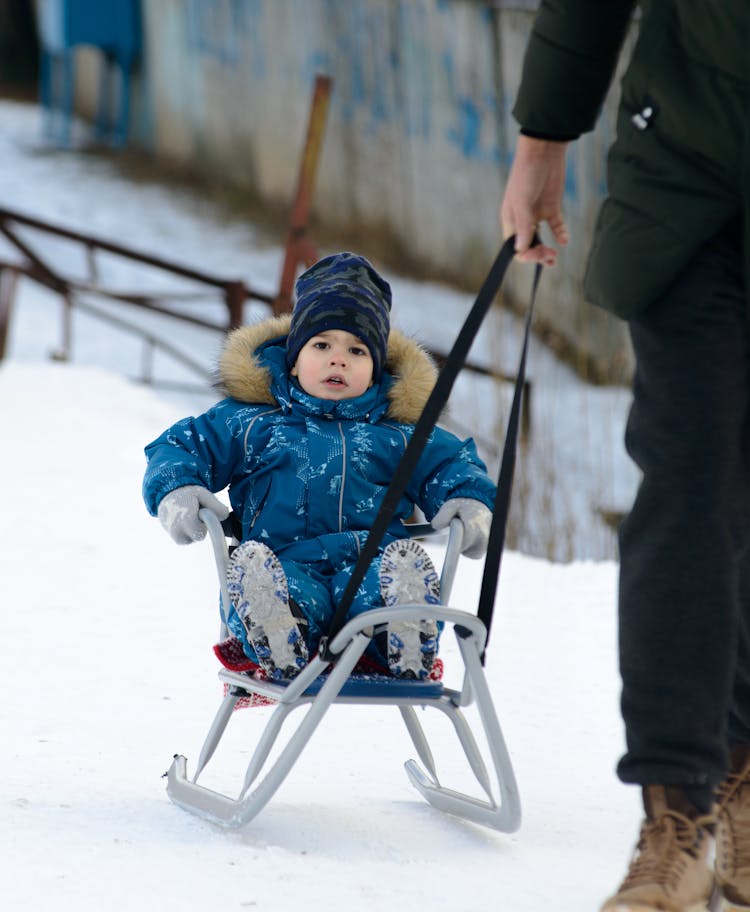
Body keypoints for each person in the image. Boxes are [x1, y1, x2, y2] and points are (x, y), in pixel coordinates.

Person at [500, 3, 750, 910]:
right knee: (689, 481)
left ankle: (743, 778)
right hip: (689, 180)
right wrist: (542, 141)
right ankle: (674, 817)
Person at [143, 251, 495, 682]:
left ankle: (402, 626)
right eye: (322, 344)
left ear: (377, 369)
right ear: (293, 359)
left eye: (357, 349)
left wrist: (468, 499)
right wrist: (177, 489)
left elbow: (453, 462)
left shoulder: (398, 434)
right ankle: (278, 630)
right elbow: (183, 445)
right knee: (273, 586)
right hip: (281, 563)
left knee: (383, 587)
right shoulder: (252, 421)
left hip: (371, 564)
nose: (338, 359)